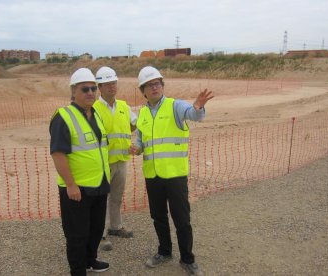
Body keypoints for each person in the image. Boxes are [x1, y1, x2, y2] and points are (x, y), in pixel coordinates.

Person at [129, 66, 213, 276]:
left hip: (175, 175)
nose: (154, 87)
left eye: (157, 83)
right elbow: (141, 141)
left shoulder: (175, 106)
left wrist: (198, 107)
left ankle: (187, 259)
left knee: (182, 219)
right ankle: (164, 252)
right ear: (143, 91)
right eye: (150, 85)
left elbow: (193, 114)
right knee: (158, 217)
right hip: (153, 175)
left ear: (162, 86)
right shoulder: (143, 114)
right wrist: (137, 149)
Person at [49, 68, 111, 276]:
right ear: (73, 91)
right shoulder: (63, 117)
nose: (91, 92)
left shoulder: (96, 115)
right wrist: (71, 184)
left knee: (96, 229)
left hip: (99, 184)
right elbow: (58, 153)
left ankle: (90, 260)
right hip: (78, 189)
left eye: (94, 88)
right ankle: (77, 270)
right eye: (85, 89)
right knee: (77, 233)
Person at [93, 66, 137, 251]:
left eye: (114, 83)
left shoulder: (123, 107)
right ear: (99, 87)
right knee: (101, 199)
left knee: (117, 197)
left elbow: (134, 124)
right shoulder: (94, 109)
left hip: (121, 160)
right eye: (107, 84)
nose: (112, 87)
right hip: (103, 164)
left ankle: (116, 227)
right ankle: (100, 235)